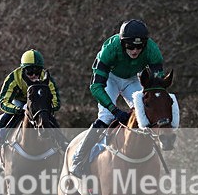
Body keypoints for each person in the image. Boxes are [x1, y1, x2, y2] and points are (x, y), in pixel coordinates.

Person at [69, 19, 166, 177]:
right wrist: (115, 110)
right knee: (106, 116)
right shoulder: (110, 50)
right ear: (122, 44)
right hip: (110, 78)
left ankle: (152, 156)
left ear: (145, 44)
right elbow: (95, 87)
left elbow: (157, 87)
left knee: (145, 113)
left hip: (133, 79)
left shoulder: (152, 50)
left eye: (139, 46)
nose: (135, 51)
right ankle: (78, 158)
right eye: (130, 46)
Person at [0, 49, 61, 151]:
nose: (34, 75)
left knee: (45, 115)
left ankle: (61, 140)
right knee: (8, 115)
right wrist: (18, 109)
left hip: (38, 104)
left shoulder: (47, 78)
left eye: (37, 72)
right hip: (19, 103)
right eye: (30, 72)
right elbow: (3, 101)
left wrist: (46, 108)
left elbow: (56, 102)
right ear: (23, 70)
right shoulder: (13, 78)